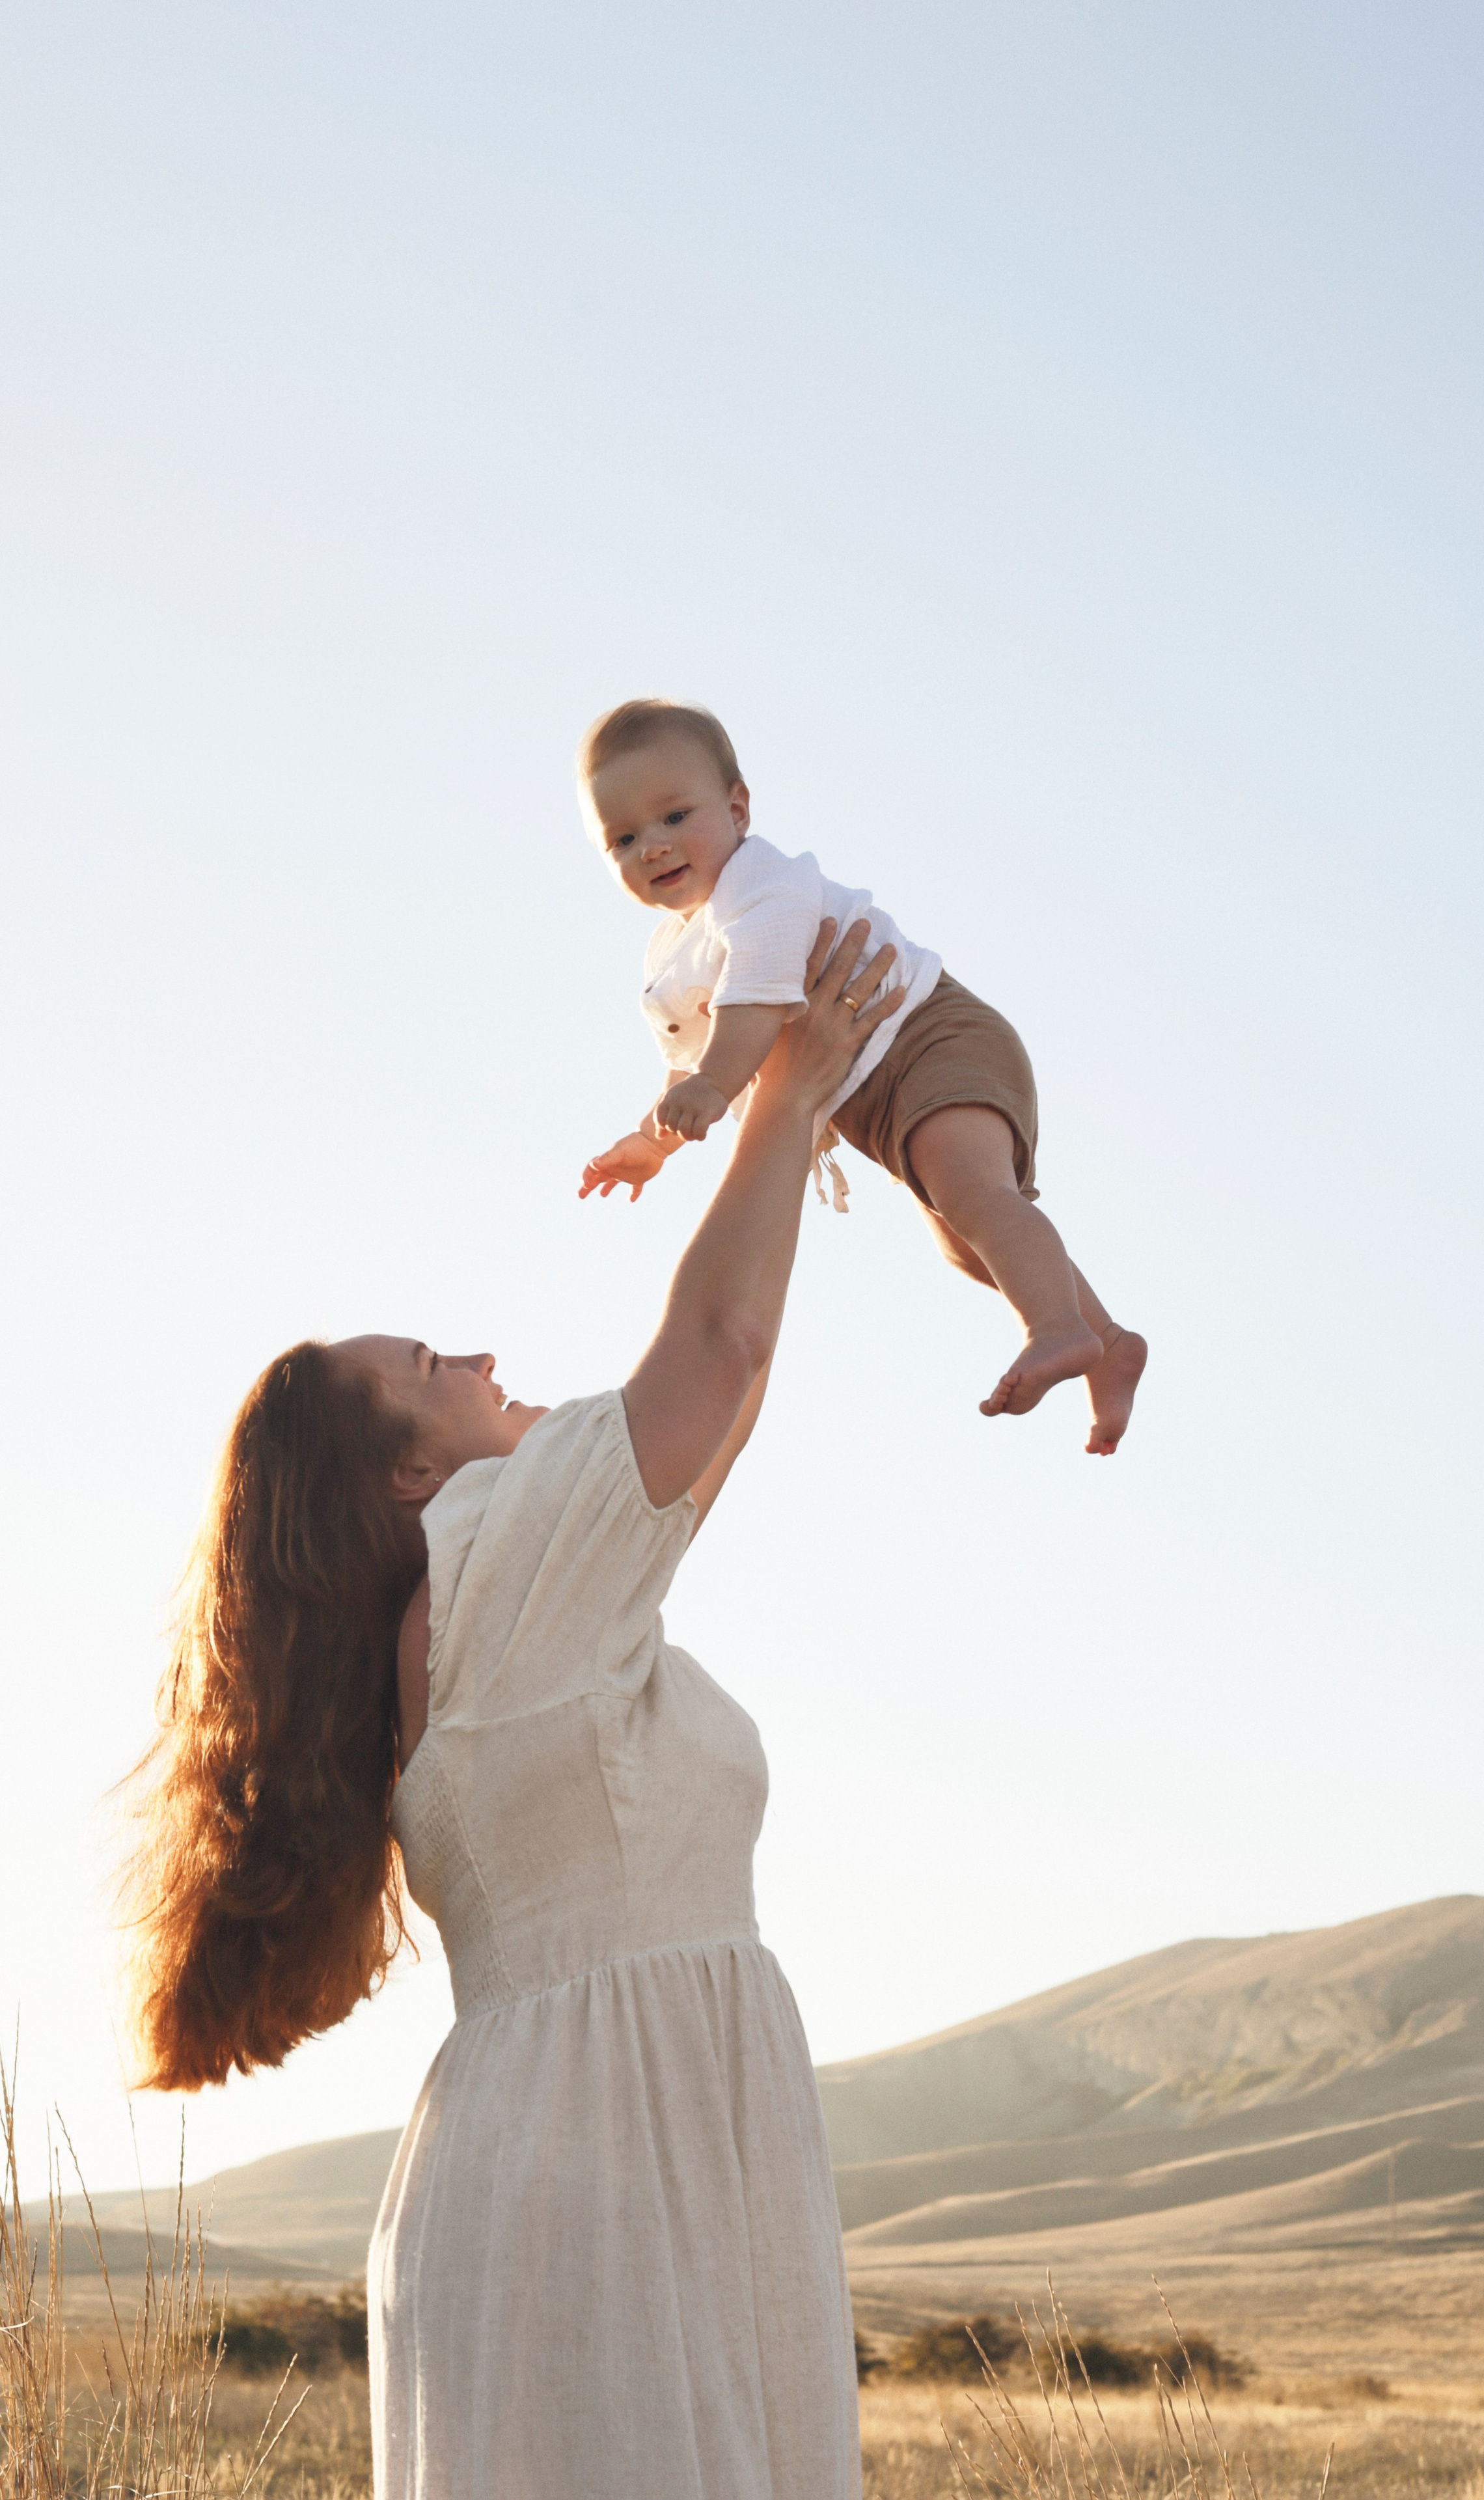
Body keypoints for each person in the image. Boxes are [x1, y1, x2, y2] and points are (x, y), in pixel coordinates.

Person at [120, 921, 903, 2499]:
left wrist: (792, 1118)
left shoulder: (476, 1616)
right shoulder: (496, 1548)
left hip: (556, 2148)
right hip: (616, 2156)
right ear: (411, 1471)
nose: (480, 1353)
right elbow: (718, 1350)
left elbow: (723, 1402)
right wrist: (789, 1081)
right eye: (433, 1363)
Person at [577, 696, 1148, 1457]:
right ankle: (1107, 1342)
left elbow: (752, 1003)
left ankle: (1056, 1326)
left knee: (973, 1194)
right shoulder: (671, 956)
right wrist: (654, 1141)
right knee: (966, 1240)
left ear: (737, 808)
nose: (652, 845)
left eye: (675, 816)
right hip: (873, 1098)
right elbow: (689, 1061)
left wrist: (712, 1084)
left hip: (927, 1038)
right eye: (623, 838)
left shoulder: (760, 883)